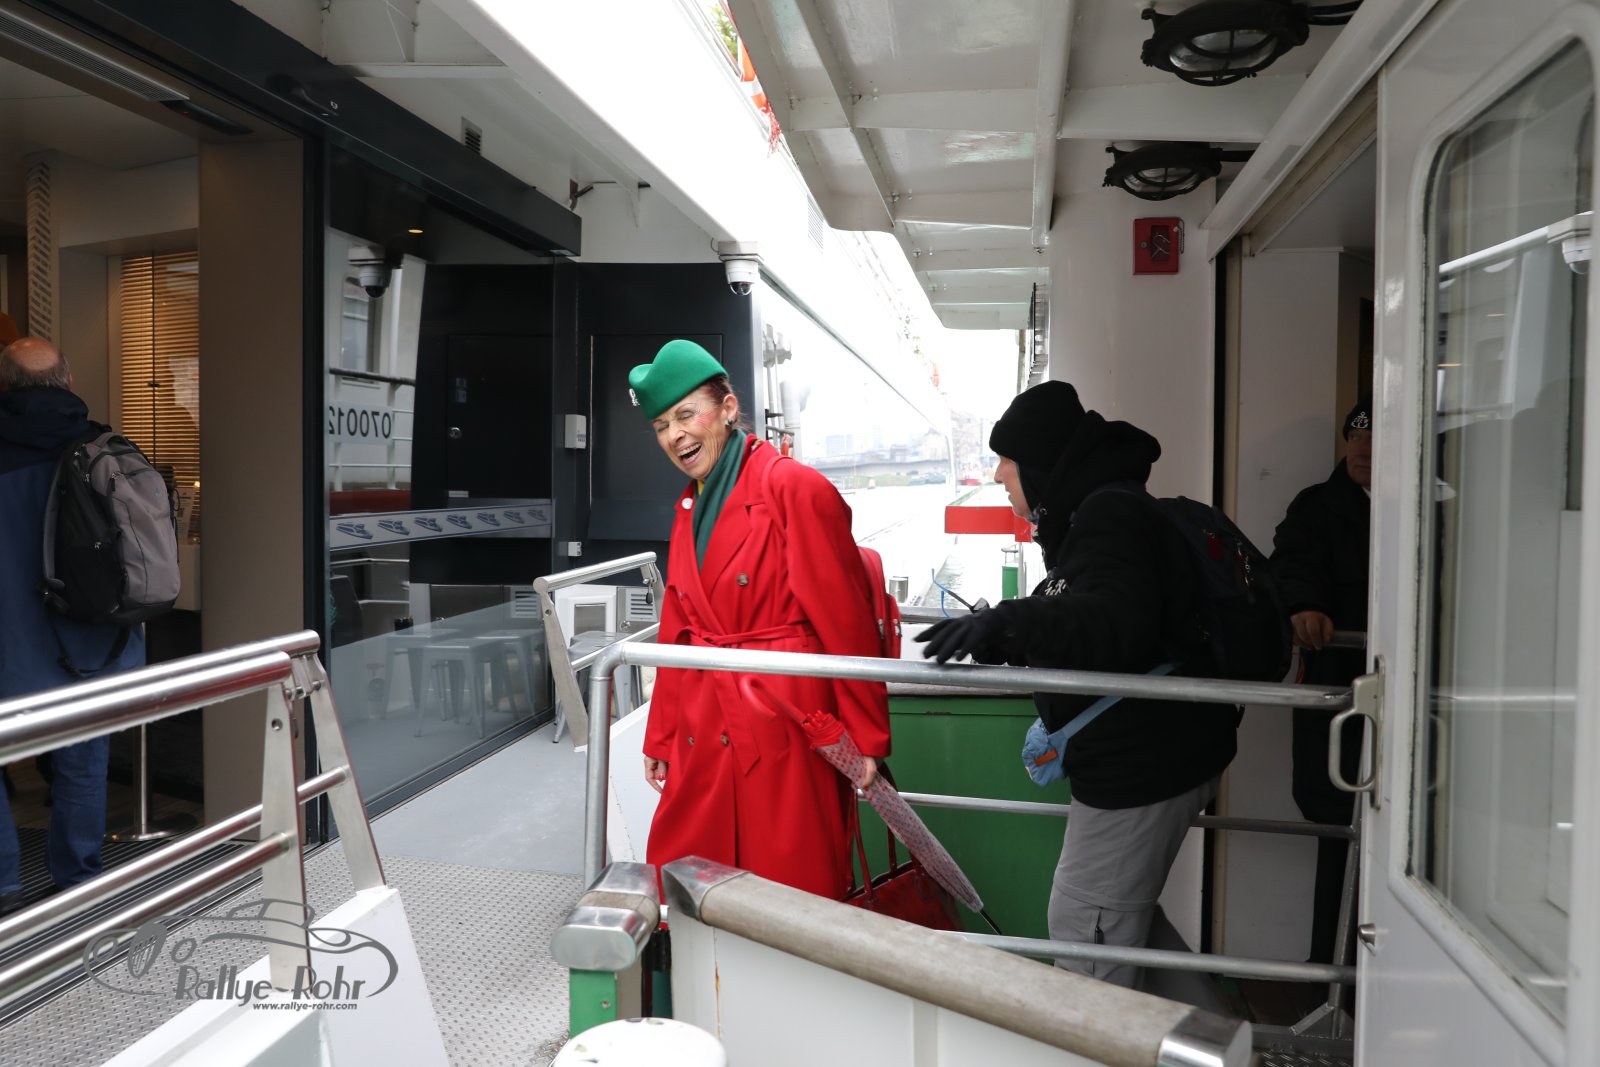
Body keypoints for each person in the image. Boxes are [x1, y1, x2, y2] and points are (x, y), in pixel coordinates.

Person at [916, 381, 1240, 988]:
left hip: (1139, 762)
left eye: (1007, 460)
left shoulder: (1108, 515)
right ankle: (1205, 1034)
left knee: (1084, 929)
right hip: (1150, 753)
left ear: (1040, 462)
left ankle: (1098, 1035)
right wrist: (1002, 637)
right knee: (1116, 922)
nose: (999, 474)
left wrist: (1006, 623)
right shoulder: (1097, 512)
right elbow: (1088, 614)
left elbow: (1109, 620)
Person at [631, 339, 890, 899]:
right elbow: (678, 629)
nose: (675, 436)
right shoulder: (690, 506)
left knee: (792, 878)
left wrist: (865, 738)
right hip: (705, 717)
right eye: (661, 426)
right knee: (687, 877)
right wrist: (663, 735)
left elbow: (845, 621)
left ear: (727, 408)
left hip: (784, 718)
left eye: (686, 414)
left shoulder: (792, 487)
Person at [0, 337, 145, 916]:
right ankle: (77, 881)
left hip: (8, 644)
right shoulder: (104, 447)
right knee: (82, 766)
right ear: (68, 380)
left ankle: (4, 886)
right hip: (91, 643)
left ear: (4, 385)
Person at [1270, 396, 1372, 964]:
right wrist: (1304, 606)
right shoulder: (1316, 506)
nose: (1363, 449)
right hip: (1342, 699)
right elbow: (1291, 564)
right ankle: (1331, 978)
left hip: (1412, 702)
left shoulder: (1442, 502)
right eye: (1355, 437)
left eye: (1377, 437)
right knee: (1340, 836)